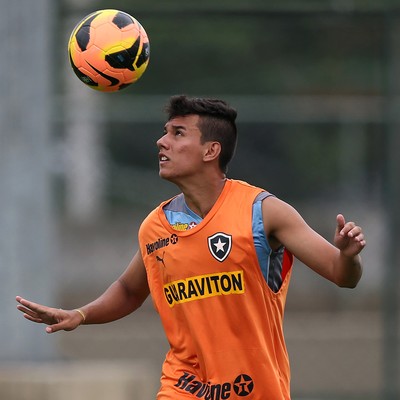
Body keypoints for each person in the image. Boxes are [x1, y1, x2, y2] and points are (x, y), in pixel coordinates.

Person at [16, 95, 366, 400]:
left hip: (257, 390)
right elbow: (128, 289)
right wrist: (80, 314)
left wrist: (349, 258)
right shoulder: (155, 226)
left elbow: (341, 274)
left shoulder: (263, 211)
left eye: (177, 133)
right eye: (166, 131)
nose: (161, 142)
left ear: (211, 151)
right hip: (183, 387)